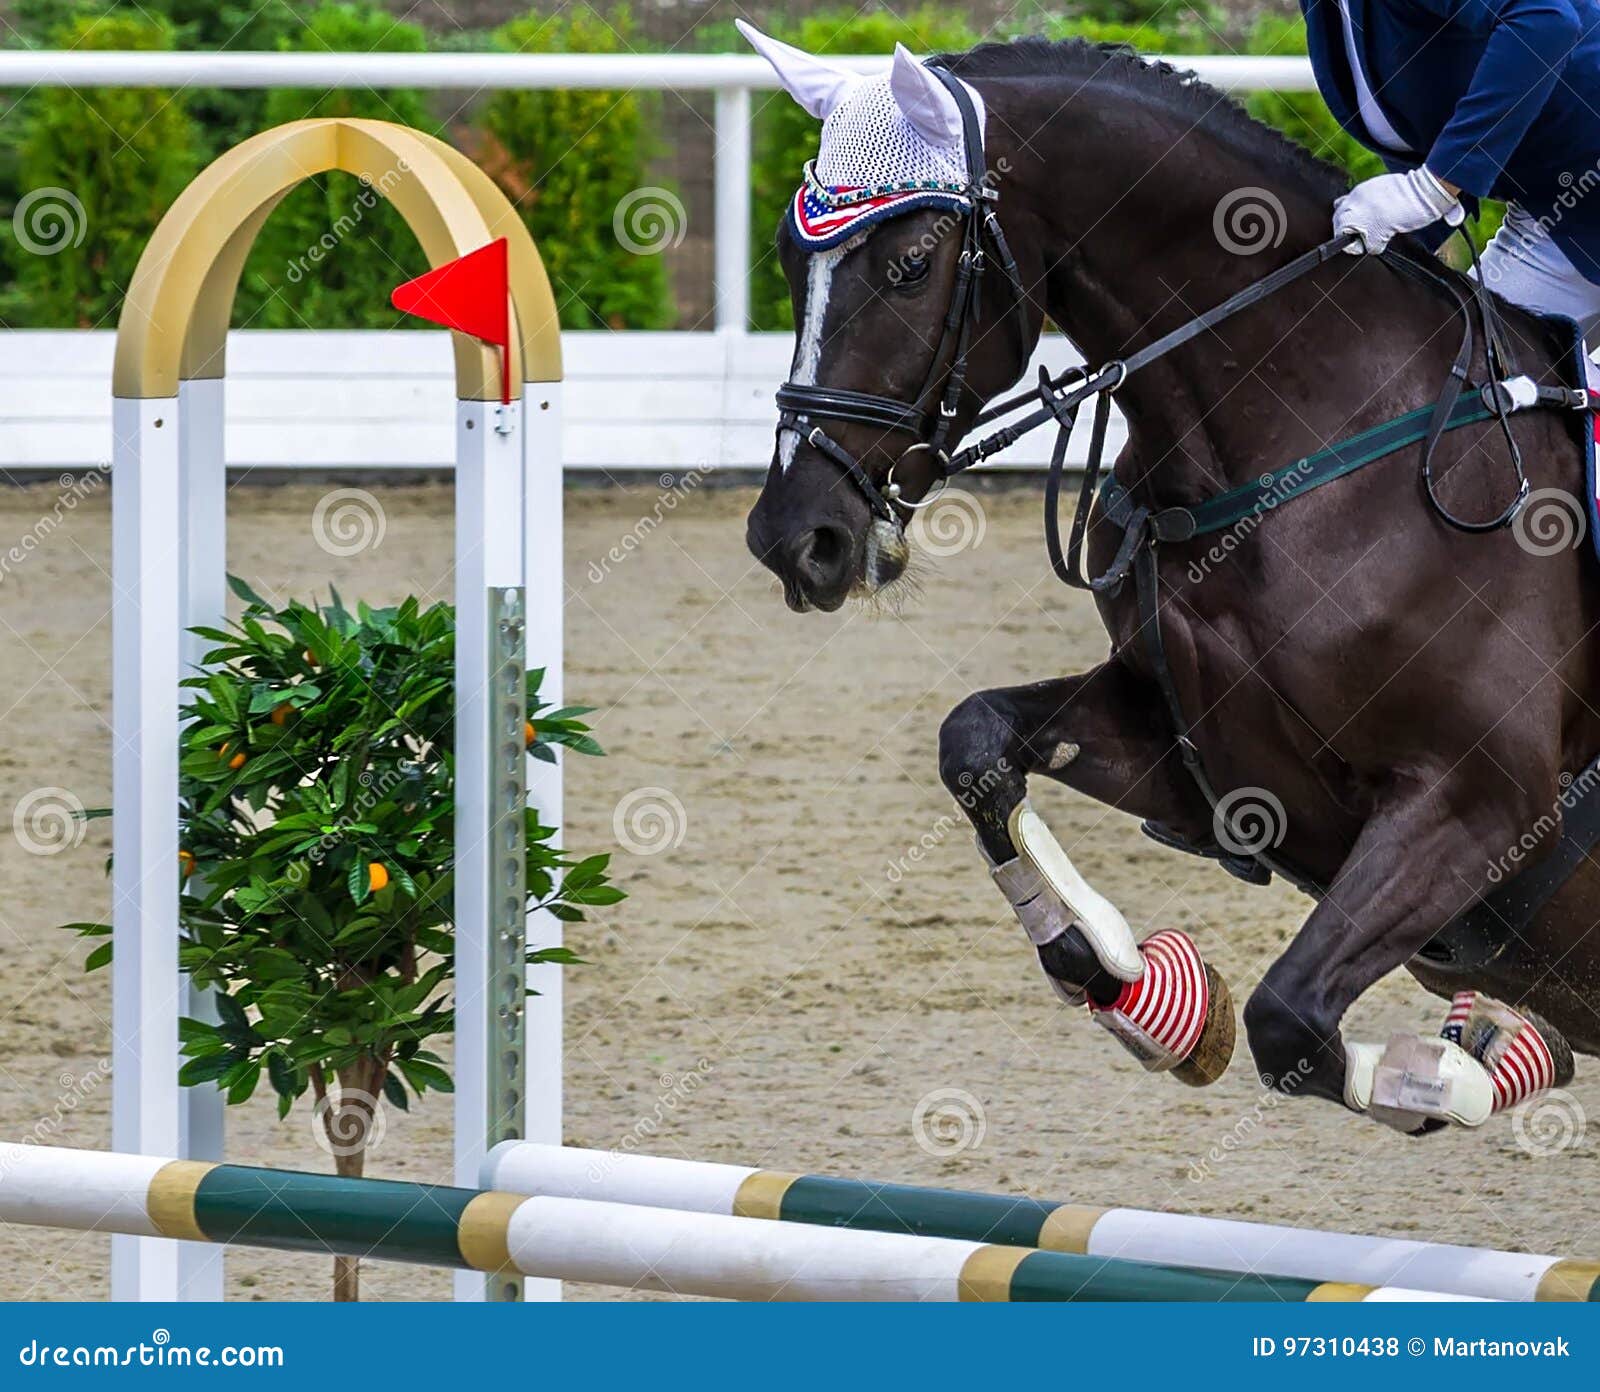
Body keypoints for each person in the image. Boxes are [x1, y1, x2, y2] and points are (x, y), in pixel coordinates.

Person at [1301, 0, 1600, 387]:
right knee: (1463, 375)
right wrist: (1388, 253)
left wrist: (1431, 188)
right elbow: (1410, 114)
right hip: (1557, 215)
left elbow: (1547, 21)